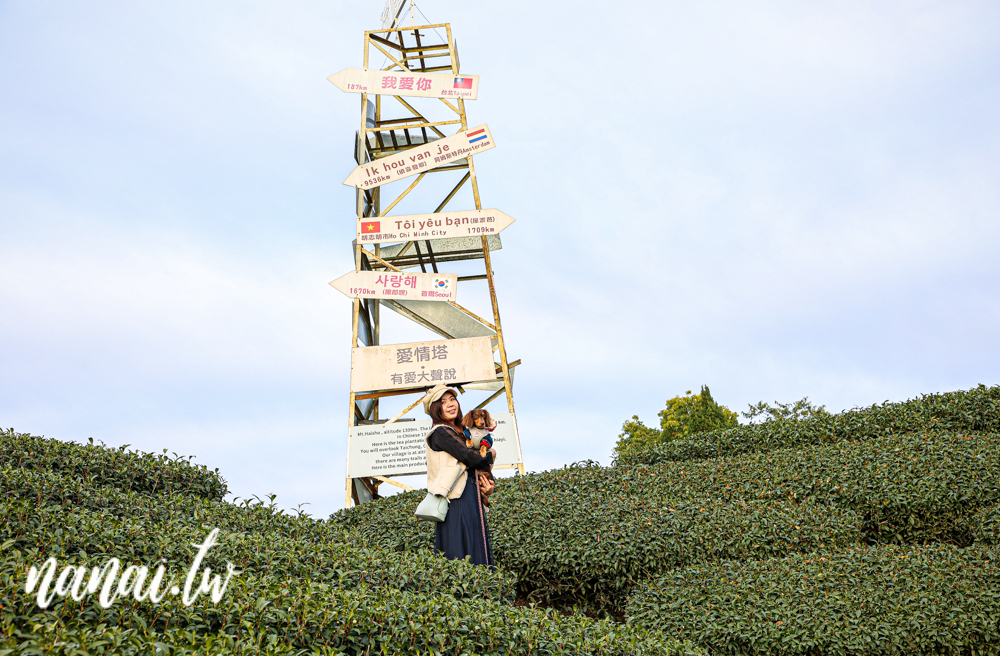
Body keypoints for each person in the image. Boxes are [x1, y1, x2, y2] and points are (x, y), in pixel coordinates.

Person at [423, 383, 496, 567]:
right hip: (456, 500)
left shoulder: (464, 433)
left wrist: (489, 484)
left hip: (472, 496)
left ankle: (483, 590)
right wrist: (492, 454)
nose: (450, 404)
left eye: (452, 399)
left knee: (477, 547)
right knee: (461, 551)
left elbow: (477, 465)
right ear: (435, 409)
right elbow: (470, 458)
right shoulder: (440, 432)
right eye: (443, 402)